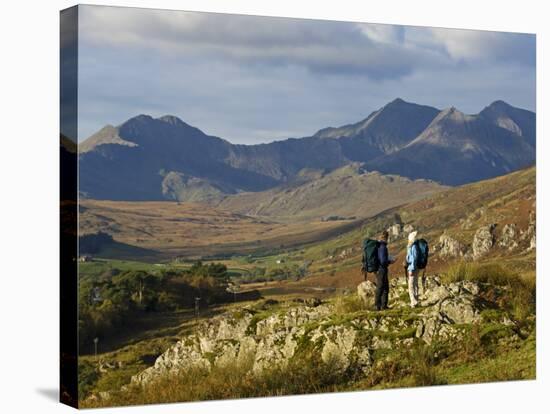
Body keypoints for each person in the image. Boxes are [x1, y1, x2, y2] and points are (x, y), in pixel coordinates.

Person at [375, 230, 394, 310]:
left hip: (379, 269)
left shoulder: (379, 246)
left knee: (384, 287)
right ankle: (378, 306)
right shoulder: (383, 247)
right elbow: (383, 261)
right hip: (381, 269)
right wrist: (390, 261)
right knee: (381, 287)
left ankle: (383, 305)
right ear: (386, 238)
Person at [406, 231, 420, 308]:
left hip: (413, 268)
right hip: (416, 267)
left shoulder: (413, 247)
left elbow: (413, 259)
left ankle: (413, 302)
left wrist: (411, 269)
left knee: (411, 285)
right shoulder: (415, 246)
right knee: (415, 284)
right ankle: (416, 300)